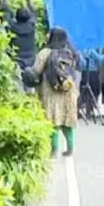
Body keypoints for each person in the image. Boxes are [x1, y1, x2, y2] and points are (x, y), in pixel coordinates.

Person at [31, 27, 81, 156]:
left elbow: (36, 70)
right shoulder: (71, 52)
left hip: (50, 92)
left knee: (52, 122)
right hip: (68, 91)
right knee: (67, 122)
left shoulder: (45, 53)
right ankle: (70, 148)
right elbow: (75, 71)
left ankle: (54, 150)